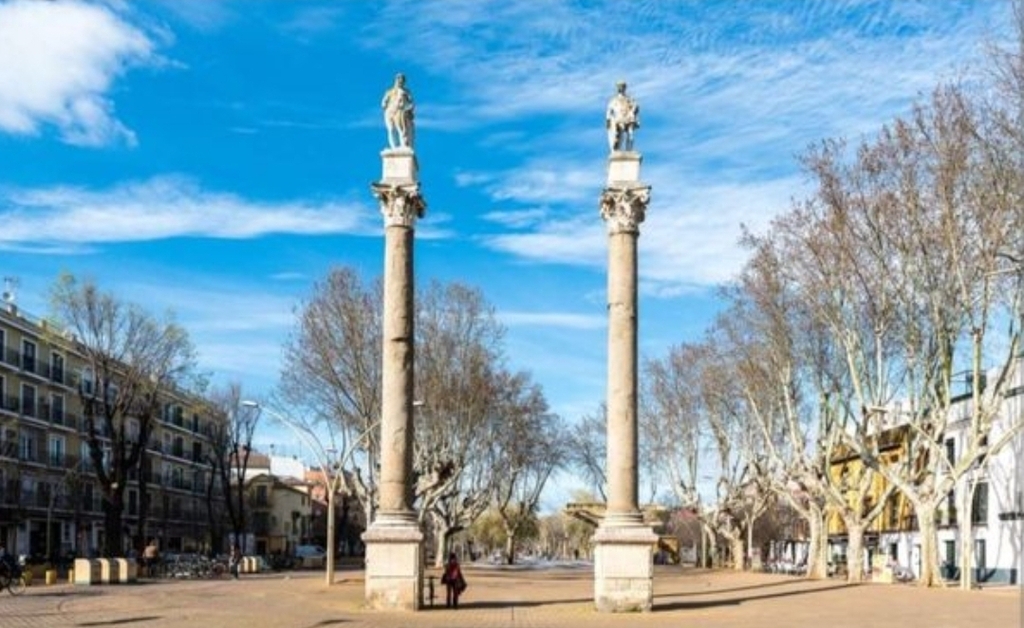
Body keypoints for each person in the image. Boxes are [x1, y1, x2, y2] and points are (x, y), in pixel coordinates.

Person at [381, 73, 415, 150]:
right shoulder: (389, 91)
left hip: (400, 111)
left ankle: (403, 145)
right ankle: (394, 147)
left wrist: (408, 108)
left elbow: (411, 103)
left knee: (401, 129)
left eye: (401, 79)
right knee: (391, 129)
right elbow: (383, 102)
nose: (399, 80)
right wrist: (385, 104)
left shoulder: (406, 92)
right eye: (398, 79)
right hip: (390, 111)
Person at [605, 80, 640, 152]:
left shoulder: (629, 99)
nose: (621, 88)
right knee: (619, 136)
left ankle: (629, 151)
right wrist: (608, 120)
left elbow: (635, 107)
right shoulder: (614, 100)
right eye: (619, 86)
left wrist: (634, 109)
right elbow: (609, 110)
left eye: (622, 86)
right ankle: (617, 150)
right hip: (619, 119)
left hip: (628, 118)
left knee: (631, 136)